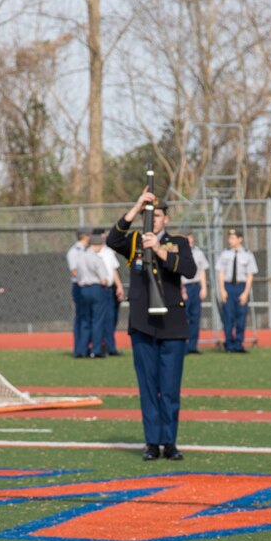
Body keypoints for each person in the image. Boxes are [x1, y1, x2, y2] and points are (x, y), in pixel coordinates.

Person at [106, 187, 196, 460]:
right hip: (143, 323)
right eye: (149, 215)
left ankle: (169, 443)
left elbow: (189, 270)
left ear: (166, 219)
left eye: (156, 215)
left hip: (172, 325)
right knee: (148, 387)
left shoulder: (177, 242)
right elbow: (112, 239)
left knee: (169, 388)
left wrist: (157, 249)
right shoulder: (133, 241)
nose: (153, 219)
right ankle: (151, 444)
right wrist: (135, 207)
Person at [215, 228, 257, 353]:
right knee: (228, 317)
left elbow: (250, 275)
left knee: (241, 317)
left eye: (233, 238)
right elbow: (221, 273)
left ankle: (239, 344)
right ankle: (229, 344)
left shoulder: (248, 254)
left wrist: (246, 293)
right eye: (229, 238)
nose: (230, 240)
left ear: (240, 239)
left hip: (241, 287)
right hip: (228, 287)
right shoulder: (224, 254)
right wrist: (222, 290)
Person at [75, 232, 111, 358]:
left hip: (83, 289)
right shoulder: (97, 258)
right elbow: (103, 279)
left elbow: (77, 276)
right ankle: (96, 350)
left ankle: (81, 350)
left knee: (85, 320)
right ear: (98, 244)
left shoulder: (80, 257)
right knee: (97, 321)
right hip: (96, 289)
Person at [94, 228, 125, 356]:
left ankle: (110, 346)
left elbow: (114, 271)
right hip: (98, 288)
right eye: (102, 236)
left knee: (111, 318)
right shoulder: (92, 252)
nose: (104, 238)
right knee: (99, 319)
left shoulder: (108, 252)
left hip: (110, 289)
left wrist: (119, 287)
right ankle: (98, 346)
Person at [181, 231, 209, 353]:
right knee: (183, 318)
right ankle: (183, 346)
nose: (190, 242)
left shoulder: (198, 253)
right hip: (184, 287)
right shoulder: (179, 252)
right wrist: (181, 289)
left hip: (195, 287)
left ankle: (193, 346)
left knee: (195, 317)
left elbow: (202, 271)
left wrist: (204, 288)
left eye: (191, 239)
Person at [66, 230, 90, 357]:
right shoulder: (74, 251)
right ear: (85, 236)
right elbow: (74, 271)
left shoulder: (87, 250)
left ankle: (86, 346)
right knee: (81, 317)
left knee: (88, 317)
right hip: (80, 285)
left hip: (88, 285)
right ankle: (79, 349)